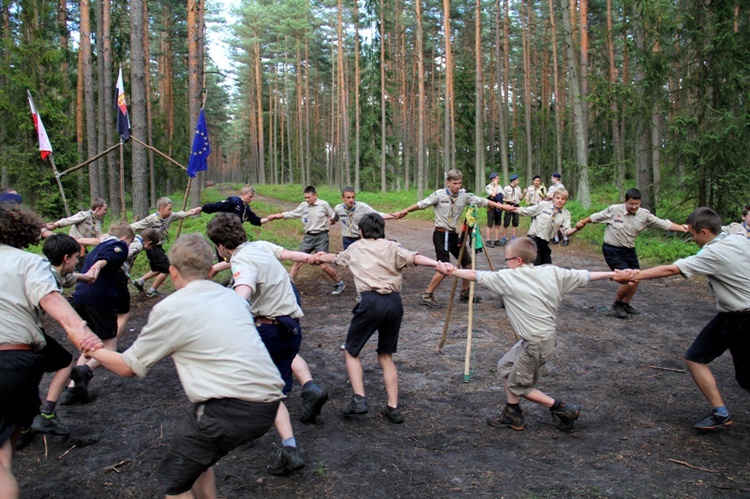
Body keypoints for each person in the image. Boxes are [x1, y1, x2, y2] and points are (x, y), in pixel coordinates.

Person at [86, 234, 285, 498]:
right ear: (211, 269)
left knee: (176, 483)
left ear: (172, 271)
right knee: (198, 462)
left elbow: (127, 367)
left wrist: (91, 347)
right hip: (268, 405)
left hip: (229, 409)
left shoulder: (171, 308)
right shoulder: (232, 299)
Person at [436, 237, 615, 431]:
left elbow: (474, 275)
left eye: (507, 259)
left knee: (518, 386)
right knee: (505, 367)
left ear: (518, 260)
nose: (506, 263)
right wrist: (614, 274)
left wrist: (451, 270)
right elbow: (587, 275)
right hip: (540, 339)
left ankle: (563, 408)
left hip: (536, 343)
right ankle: (513, 413)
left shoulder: (508, 277)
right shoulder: (552, 272)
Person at [207, 213, 328, 475]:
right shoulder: (260, 246)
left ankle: (246, 430)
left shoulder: (241, 261)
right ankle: (289, 447)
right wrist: (309, 257)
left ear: (221, 245)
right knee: (272, 392)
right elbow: (288, 254)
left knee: (237, 378)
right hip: (291, 330)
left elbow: (243, 289)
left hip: (268, 332)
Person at [613, 207, 750, 431]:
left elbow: (671, 269)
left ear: (705, 232)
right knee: (695, 357)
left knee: (747, 379)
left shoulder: (712, 254)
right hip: (728, 315)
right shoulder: (738, 238)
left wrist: (633, 274)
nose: (693, 239)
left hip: (743, 319)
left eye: (693, 234)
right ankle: (720, 412)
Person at [0, 203, 101, 498]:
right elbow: (56, 306)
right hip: (11, 362)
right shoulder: (28, 263)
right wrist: (86, 335)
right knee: (3, 461)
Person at [312, 213, 444, 424]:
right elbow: (414, 258)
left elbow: (335, 259)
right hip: (394, 303)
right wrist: (438, 264)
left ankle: (359, 399)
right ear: (383, 230)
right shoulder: (392, 246)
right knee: (385, 355)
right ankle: (393, 407)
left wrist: (319, 256)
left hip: (370, 302)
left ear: (361, 232)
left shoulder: (356, 247)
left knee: (351, 351)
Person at [15, 234, 97, 450]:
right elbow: (57, 307)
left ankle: (24, 428)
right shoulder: (45, 277)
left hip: (23, 332)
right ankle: (47, 413)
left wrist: (86, 277)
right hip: (25, 333)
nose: (79, 261)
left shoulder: (51, 270)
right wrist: (80, 332)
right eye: (76, 258)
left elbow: (69, 278)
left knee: (30, 377)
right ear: (66, 257)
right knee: (64, 362)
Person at [393, 169, 505, 307]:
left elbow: (483, 201)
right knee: (444, 267)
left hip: (453, 235)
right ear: (448, 183)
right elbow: (422, 204)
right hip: (441, 235)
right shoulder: (439, 195)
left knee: (467, 262)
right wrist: (405, 211)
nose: (457, 186)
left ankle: (465, 293)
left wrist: (500, 206)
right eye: (454, 183)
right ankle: (427, 294)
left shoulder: (464, 196)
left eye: (459, 183)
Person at [575, 188, 688, 319]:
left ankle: (625, 304)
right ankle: (617, 304)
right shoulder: (614, 210)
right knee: (629, 280)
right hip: (612, 250)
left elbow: (664, 224)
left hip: (629, 250)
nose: (634, 207)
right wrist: (581, 223)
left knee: (637, 278)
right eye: (631, 204)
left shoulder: (644, 215)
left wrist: (683, 228)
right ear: (625, 202)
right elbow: (595, 217)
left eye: (637, 204)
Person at [60, 222, 135, 405]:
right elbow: (109, 256)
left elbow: (101, 249)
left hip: (81, 296)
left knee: (90, 344)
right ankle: (84, 370)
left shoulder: (101, 244)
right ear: (125, 238)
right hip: (99, 299)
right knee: (109, 348)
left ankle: (72, 389)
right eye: (129, 242)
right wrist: (99, 266)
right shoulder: (119, 245)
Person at [267, 186, 346, 295]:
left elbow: (333, 216)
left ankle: (339, 283)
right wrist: (278, 215)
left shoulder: (323, 205)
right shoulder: (303, 206)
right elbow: (293, 213)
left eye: (309, 197)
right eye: (305, 198)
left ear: (315, 196)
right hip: (308, 237)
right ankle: (288, 285)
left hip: (321, 237)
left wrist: (333, 220)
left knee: (323, 265)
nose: (307, 200)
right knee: (297, 262)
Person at [131, 197, 200, 297]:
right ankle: (152, 290)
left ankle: (140, 281)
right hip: (152, 247)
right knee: (167, 268)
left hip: (159, 246)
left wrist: (191, 212)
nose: (171, 211)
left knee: (157, 268)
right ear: (161, 209)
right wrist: (123, 233)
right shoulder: (151, 219)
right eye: (169, 209)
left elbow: (179, 215)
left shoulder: (169, 216)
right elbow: (136, 226)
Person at [498, 188, 576, 266]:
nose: (560, 201)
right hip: (533, 241)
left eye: (563, 199)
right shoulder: (543, 205)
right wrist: (509, 208)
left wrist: (576, 228)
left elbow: (567, 232)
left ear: (566, 201)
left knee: (548, 268)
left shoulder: (565, 214)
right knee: (534, 268)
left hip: (545, 244)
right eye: (557, 198)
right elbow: (526, 211)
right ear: (553, 198)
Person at [331, 187, 395, 250]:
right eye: (348, 197)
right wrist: (333, 220)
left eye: (353, 197)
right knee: (349, 259)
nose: (351, 200)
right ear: (343, 198)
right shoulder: (338, 208)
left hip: (360, 238)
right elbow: (335, 217)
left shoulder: (362, 207)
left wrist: (394, 216)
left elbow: (377, 214)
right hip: (347, 239)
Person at [196, 184, 274, 226]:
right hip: (223, 232)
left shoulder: (247, 209)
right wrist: (202, 208)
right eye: (250, 197)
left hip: (235, 234)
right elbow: (217, 206)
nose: (251, 199)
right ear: (243, 194)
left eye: (252, 197)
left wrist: (270, 218)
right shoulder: (233, 201)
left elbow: (256, 220)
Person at [498, 174, 522, 246]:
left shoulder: (518, 188)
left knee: (515, 221)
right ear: (513, 180)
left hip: (516, 206)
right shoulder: (506, 188)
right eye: (517, 180)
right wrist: (509, 200)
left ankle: (514, 236)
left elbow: (520, 198)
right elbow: (502, 198)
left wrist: (524, 193)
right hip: (508, 205)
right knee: (506, 222)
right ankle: (504, 237)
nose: (518, 181)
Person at [546, 173, 569, 245]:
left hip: (559, 206)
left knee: (561, 224)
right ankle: (556, 239)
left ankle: (566, 238)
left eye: (552, 178)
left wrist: (550, 195)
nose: (551, 179)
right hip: (552, 206)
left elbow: (559, 195)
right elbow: (548, 194)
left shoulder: (560, 187)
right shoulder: (552, 187)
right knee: (553, 222)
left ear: (556, 178)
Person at [484, 173, 504, 248]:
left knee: (497, 225)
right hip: (491, 208)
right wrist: (495, 185)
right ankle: (488, 240)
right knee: (490, 225)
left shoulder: (499, 187)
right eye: (497, 178)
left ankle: (496, 240)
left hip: (498, 207)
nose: (498, 180)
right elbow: (493, 195)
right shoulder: (488, 187)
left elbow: (501, 196)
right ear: (493, 179)